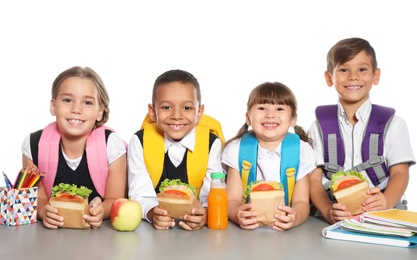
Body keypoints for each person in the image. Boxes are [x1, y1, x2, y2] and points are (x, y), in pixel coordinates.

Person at [308, 37, 416, 224]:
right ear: (328, 77)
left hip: (381, 212)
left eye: (362, 69)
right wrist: (327, 211)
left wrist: (387, 201)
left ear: (376, 75)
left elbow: (400, 173)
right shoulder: (318, 126)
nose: (353, 76)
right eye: (343, 70)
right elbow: (313, 179)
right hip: (335, 213)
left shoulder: (394, 124)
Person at [21, 66, 127, 229]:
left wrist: (102, 211)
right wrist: (44, 212)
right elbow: (39, 199)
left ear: (100, 112)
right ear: (53, 106)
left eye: (87, 102)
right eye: (67, 100)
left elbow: (115, 199)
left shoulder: (111, 145)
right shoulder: (33, 145)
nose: (76, 109)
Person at [128, 69, 225, 231]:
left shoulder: (211, 143)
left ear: (199, 112)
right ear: (153, 112)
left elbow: (212, 190)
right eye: (166, 107)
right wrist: (153, 213)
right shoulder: (139, 141)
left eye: (187, 108)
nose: (176, 116)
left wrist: (205, 213)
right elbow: (140, 192)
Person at [222, 82, 316, 231]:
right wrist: (237, 215)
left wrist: (294, 218)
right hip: (247, 232)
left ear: (293, 119)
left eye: (279, 109)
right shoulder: (237, 149)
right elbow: (232, 199)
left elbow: (301, 202)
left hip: (285, 231)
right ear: (248, 117)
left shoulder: (301, 151)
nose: (270, 114)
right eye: (261, 108)